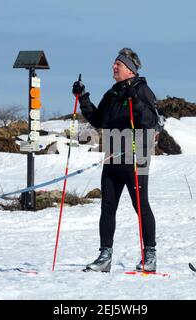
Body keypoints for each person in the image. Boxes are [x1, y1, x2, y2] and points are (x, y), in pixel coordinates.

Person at [72, 48, 159, 272]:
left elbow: (150, 121)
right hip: (112, 156)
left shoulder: (142, 90)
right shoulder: (111, 93)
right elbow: (98, 119)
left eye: (117, 64)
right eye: (114, 64)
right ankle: (105, 257)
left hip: (135, 156)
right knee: (107, 208)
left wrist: (136, 103)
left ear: (129, 69)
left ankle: (150, 255)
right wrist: (83, 98)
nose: (113, 67)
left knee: (140, 206)